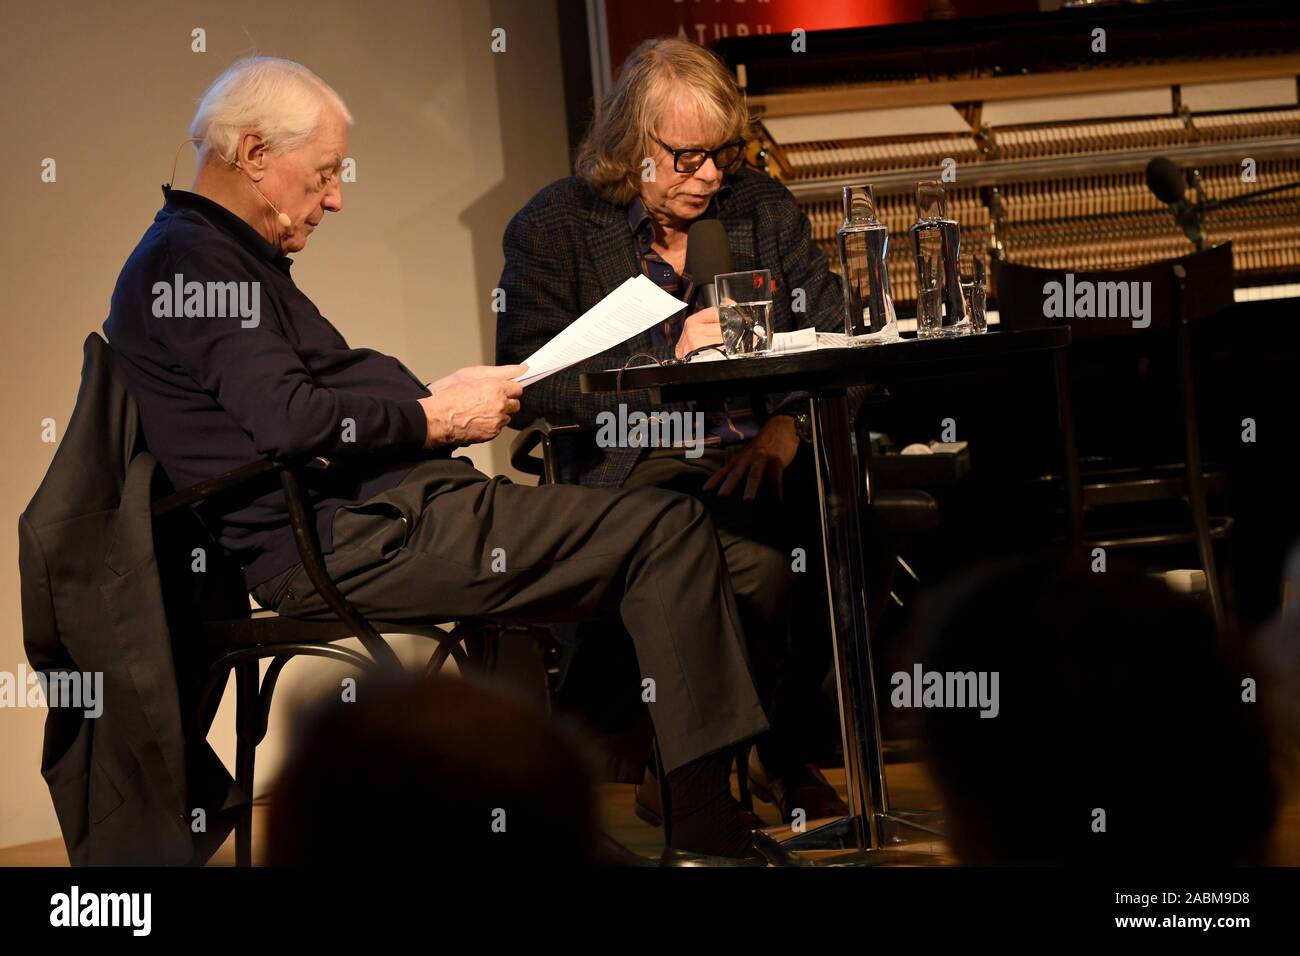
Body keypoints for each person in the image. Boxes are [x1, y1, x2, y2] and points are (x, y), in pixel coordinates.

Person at [104, 55, 774, 865]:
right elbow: (291, 421)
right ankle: (709, 838)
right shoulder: (192, 265)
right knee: (666, 529)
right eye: (322, 175)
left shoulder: (221, 255)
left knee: (669, 533)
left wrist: (438, 398)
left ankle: (633, 813)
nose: (336, 197)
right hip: (353, 537)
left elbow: (303, 405)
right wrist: (430, 418)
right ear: (251, 154)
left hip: (382, 517)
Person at [497, 37, 856, 823]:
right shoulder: (554, 227)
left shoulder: (760, 208)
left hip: (757, 453)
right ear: (634, 144)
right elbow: (532, 383)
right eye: (687, 158)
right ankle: (747, 759)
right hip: (638, 459)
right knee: (750, 565)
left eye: (722, 154)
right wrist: (662, 358)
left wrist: (788, 425)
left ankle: (697, 764)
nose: (711, 176)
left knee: (784, 539)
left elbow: (836, 333)